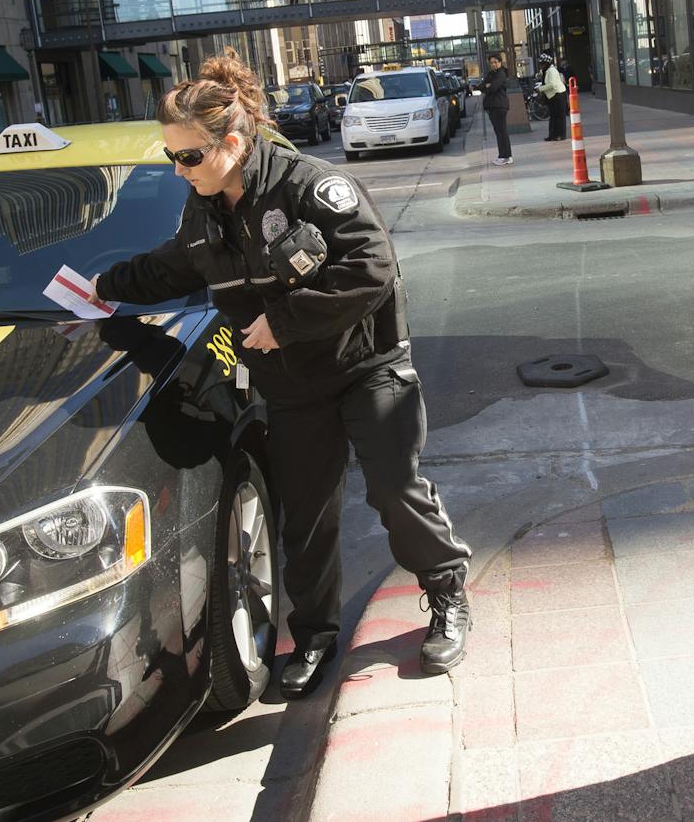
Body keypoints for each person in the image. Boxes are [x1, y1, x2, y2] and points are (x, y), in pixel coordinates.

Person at [91, 50, 473, 699]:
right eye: (171, 157)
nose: (179, 170)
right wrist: (98, 289)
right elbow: (170, 267)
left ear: (232, 143)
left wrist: (288, 320)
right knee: (305, 517)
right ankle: (317, 635)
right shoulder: (205, 212)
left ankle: (446, 593)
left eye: (188, 157)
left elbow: (371, 268)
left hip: (366, 365)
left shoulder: (308, 186)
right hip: (294, 387)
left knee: (392, 488)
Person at [482, 54, 511, 166]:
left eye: (495, 62)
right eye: (492, 62)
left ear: (500, 62)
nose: (493, 64)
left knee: (501, 132)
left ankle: (504, 156)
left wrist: (488, 86)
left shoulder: (501, 73)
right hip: (493, 106)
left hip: (499, 105)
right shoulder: (491, 74)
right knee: (500, 132)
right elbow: (482, 85)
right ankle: (506, 155)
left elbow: (493, 87)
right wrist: (486, 86)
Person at [537, 53, 567, 141]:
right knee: (553, 116)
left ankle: (561, 135)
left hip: (558, 95)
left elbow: (552, 84)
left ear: (547, 63)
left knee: (560, 116)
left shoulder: (552, 71)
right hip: (552, 96)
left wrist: (540, 89)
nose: (541, 65)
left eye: (542, 64)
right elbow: (541, 75)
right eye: (540, 64)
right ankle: (552, 135)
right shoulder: (546, 70)